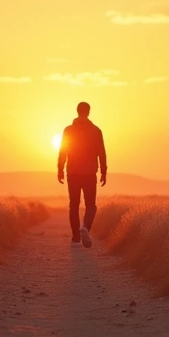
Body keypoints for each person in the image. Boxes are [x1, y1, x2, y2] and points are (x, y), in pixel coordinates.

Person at [57, 102, 107, 248]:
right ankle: (85, 227)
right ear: (89, 112)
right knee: (91, 205)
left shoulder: (68, 130)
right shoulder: (96, 131)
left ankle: (75, 238)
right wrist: (104, 171)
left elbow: (63, 150)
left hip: (73, 173)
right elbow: (101, 153)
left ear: (77, 111)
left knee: (74, 205)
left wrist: (60, 168)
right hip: (90, 173)